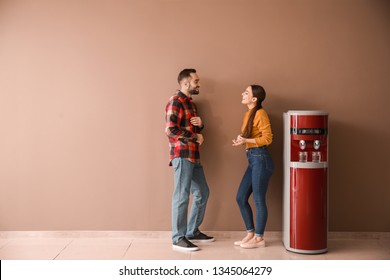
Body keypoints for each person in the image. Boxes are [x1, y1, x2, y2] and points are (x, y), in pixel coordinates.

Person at [165, 68, 215, 251]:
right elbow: (170, 130)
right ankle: (178, 238)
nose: (198, 84)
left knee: (202, 192)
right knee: (181, 196)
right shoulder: (175, 101)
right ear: (185, 83)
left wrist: (200, 126)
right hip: (182, 155)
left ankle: (192, 231)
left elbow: (193, 130)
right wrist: (195, 137)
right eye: (196, 81)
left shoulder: (191, 104)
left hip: (194, 156)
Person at [232, 84, 274, 249]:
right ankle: (250, 233)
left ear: (254, 99)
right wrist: (241, 140)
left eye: (246, 92)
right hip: (253, 158)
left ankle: (259, 238)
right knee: (240, 198)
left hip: (261, 158)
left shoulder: (261, 113)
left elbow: (268, 139)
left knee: (258, 199)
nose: (243, 93)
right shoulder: (248, 114)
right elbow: (250, 136)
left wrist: (246, 141)